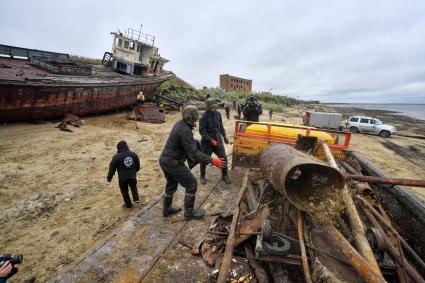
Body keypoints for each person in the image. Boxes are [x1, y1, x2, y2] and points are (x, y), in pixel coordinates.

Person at [159, 105, 225, 219]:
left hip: (164, 160)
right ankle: (189, 213)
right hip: (172, 162)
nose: (197, 120)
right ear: (190, 117)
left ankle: (167, 209)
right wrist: (212, 160)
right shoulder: (185, 130)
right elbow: (193, 153)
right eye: (195, 118)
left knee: (171, 184)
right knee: (191, 183)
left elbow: (186, 144)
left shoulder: (180, 124)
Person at [199, 99, 231, 185]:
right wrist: (211, 140)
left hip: (218, 141)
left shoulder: (218, 114)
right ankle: (202, 176)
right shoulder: (203, 116)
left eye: (215, 105)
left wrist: (224, 136)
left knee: (223, 158)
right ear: (208, 106)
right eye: (212, 106)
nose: (214, 107)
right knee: (204, 159)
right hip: (207, 143)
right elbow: (202, 131)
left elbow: (221, 126)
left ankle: (224, 175)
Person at [107, 141, 140, 208]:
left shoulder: (116, 157)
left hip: (122, 178)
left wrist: (109, 178)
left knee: (124, 191)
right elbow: (138, 165)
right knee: (133, 186)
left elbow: (112, 168)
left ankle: (128, 205)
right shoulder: (133, 154)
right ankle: (136, 199)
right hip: (132, 176)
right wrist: (134, 171)